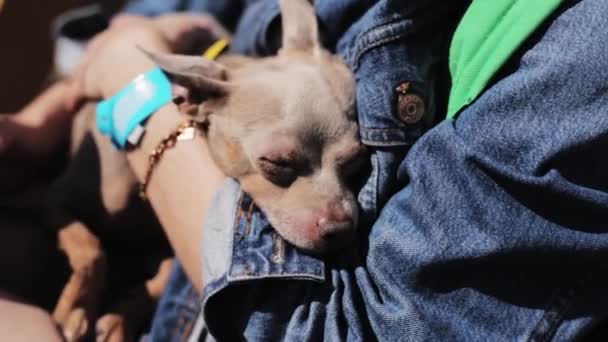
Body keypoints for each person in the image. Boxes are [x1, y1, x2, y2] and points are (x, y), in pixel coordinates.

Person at [4, 0, 608, 340]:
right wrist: (54, 107)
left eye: (352, 169)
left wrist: (135, 97)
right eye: (280, 166)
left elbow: (350, 330)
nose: (340, 211)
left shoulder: (581, 49)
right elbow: (150, 21)